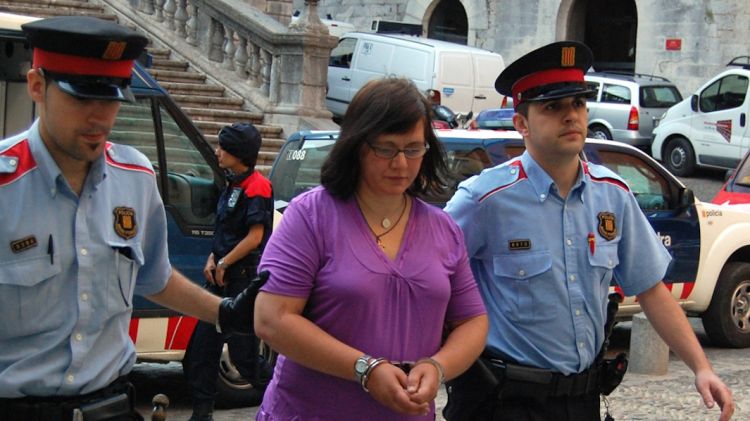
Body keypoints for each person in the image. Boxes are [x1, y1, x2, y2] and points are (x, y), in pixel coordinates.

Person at [443, 41, 735, 421]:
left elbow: (651, 290)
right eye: (553, 107)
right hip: (504, 401)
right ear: (522, 124)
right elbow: (432, 280)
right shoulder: (485, 199)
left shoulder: (612, 195)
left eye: (578, 104)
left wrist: (701, 367)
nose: (571, 117)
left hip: (581, 400)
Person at [0, 16, 259, 421]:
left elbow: (155, 278)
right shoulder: (5, 186)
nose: (100, 117)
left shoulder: (135, 178)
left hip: (112, 406)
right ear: (37, 86)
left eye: (112, 99)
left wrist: (224, 312)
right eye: (82, 98)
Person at [253, 77, 489, 420]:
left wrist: (438, 366)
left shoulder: (443, 229)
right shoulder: (311, 215)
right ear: (356, 145)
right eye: (386, 148)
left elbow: (472, 320)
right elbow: (271, 319)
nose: (401, 164)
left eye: (413, 149)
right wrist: (364, 369)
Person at [185, 123, 274, 421]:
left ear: (239, 152)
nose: (218, 152)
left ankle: (286, 397)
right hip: (221, 280)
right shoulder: (232, 184)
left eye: (223, 147)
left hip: (242, 280)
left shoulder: (257, 186)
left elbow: (255, 237)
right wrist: (213, 258)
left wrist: (224, 263)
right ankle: (201, 414)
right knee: (201, 351)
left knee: (245, 358)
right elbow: (225, 232)